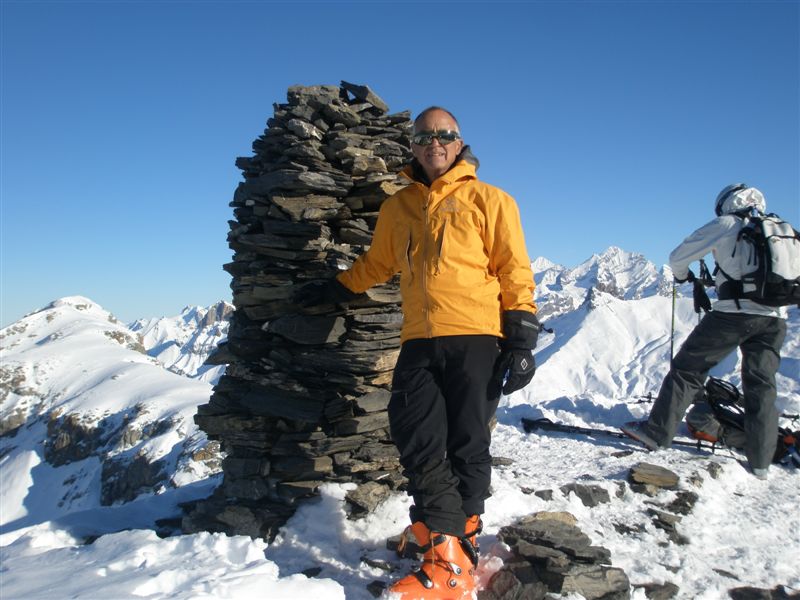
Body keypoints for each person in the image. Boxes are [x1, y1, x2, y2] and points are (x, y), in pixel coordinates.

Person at [296, 106, 539, 598]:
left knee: (469, 442)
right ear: (413, 145)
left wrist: (521, 339)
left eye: (444, 135)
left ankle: (454, 550)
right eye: (425, 136)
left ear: (459, 143)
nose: (435, 143)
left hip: (476, 335)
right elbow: (378, 263)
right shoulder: (399, 206)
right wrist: (335, 290)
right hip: (419, 339)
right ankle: (448, 540)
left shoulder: (491, 200)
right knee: (418, 438)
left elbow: (513, 268)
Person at [622, 184, 788, 479]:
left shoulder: (728, 224)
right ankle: (761, 461)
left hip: (733, 314)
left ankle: (657, 433)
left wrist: (682, 276)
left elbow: (677, 257)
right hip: (775, 318)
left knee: (689, 369)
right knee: (762, 386)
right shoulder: (778, 229)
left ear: (725, 204)